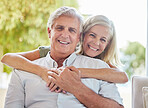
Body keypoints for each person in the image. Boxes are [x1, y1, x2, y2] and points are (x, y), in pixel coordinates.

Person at [4, 6, 123, 108]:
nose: (65, 35)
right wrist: (43, 72)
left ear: (79, 37)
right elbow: (6, 58)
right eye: (59, 28)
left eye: (72, 30)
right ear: (49, 32)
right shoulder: (22, 70)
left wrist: (76, 87)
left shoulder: (99, 67)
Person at [1, 15, 128, 84]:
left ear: (108, 44)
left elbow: (123, 77)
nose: (96, 43)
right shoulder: (57, 51)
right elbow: (7, 58)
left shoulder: (101, 62)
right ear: (81, 35)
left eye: (103, 40)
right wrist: (42, 71)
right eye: (92, 35)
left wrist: (78, 72)